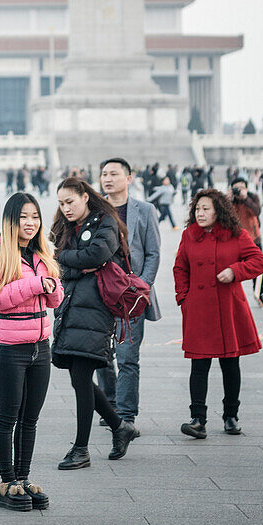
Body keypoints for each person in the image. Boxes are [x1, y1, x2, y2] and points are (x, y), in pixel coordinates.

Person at [0, 194, 63, 509]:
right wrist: (36, 285)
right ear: (11, 220)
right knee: (7, 416)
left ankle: (24, 478)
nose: (30, 223)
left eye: (35, 217)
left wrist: (52, 287)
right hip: (9, 349)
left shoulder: (43, 252)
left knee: (30, 418)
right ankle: (7, 481)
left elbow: (55, 297)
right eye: (23, 217)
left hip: (41, 347)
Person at [50, 177, 137, 469]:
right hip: (70, 307)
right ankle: (120, 427)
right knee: (79, 378)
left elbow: (97, 255)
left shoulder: (105, 221)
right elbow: (54, 263)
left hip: (96, 309)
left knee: (82, 376)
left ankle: (81, 448)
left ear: (85, 197)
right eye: (61, 204)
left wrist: (65, 259)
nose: (65, 209)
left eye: (70, 202)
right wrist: (77, 264)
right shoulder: (63, 226)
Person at [173, 189, 263, 438]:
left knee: (230, 363)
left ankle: (231, 416)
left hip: (228, 307)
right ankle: (197, 418)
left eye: (206, 209)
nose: (200, 214)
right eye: (197, 209)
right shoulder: (189, 235)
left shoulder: (236, 235)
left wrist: (235, 271)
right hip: (199, 309)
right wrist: (184, 298)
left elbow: (259, 261)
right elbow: (180, 268)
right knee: (199, 364)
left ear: (219, 211)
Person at [96, 158, 161, 433]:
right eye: (103, 174)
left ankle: (126, 413)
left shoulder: (144, 211)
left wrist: (141, 287)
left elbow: (153, 253)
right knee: (100, 355)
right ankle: (109, 404)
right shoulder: (95, 210)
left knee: (127, 357)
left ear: (129, 178)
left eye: (113, 173)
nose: (107, 179)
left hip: (131, 298)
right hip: (100, 295)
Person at [230, 177, 263, 307]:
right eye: (236, 188)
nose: (239, 190)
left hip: (254, 238)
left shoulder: (252, 197)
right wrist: (227, 198)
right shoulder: (230, 201)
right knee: (231, 269)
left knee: (258, 268)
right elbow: (222, 214)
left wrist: (245, 198)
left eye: (242, 187)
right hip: (234, 240)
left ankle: (259, 294)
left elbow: (257, 211)